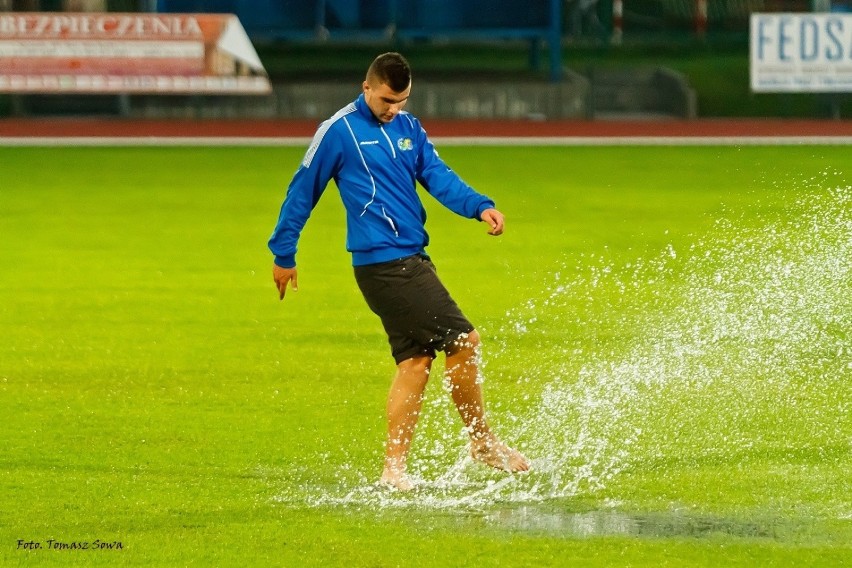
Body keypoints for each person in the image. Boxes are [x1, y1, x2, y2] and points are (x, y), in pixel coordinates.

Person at [269, 52, 529, 491]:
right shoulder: (338, 132)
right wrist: (284, 252)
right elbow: (302, 190)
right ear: (366, 87)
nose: (394, 109)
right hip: (386, 265)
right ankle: (482, 442)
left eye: (402, 100)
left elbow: (437, 174)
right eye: (387, 100)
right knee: (464, 342)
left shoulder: (409, 128)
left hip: (408, 259)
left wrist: (479, 205)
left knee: (415, 361)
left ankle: (394, 470)